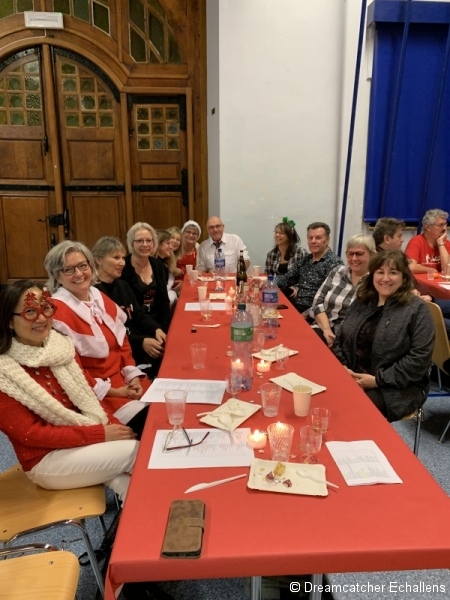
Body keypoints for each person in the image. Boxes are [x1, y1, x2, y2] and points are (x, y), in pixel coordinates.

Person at [0, 280, 138, 503]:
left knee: (131, 483)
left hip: (79, 440)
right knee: (137, 453)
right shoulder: (4, 372)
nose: (41, 318)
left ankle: (139, 519)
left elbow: (88, 398)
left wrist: (113, 427)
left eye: (46, 308)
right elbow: (30, 433)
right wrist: (100, 434)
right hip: (45, 460)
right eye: (30, 312)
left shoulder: (61, 347)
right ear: (9, 321)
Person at [44, 241, 149, 437]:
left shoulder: (97, 296)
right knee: (154, 424)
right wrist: (119, 392)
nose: (79, 274)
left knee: (172, 406)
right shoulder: (57, 313)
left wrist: (132, 376)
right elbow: (73, 373)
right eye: (68, 269)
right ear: (57, 275)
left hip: (125, 384)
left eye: (83, 265)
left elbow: (122, 342)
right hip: (98, 398)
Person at [333, 250, 434, 422]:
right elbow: (340, 338)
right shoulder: (362, 301)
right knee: (320, 400)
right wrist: (342, 366)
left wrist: (377, 380)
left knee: (352, 412)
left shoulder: (417, 310)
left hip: (398, 386)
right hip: (352, 374)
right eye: (380, 272)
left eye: (393, 272)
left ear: (404, 277)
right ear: (372, 275)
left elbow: (419, 359)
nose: (385, 278)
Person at [92, 236, 166, 378]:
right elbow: (108, 334)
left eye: (123, 258)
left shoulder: (122, 286)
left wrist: (156, 329)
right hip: (119, 352)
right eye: (116, 258)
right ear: (99, 260)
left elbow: (138, 315)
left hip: (135, 342)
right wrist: (141, 342)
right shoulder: (94, 292)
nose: (122, 262)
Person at [306, 234, 375, 346]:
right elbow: (318, 301)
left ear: (372, 254)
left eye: (359, 254)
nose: (354, 258)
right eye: (350, 254)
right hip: (323, 326)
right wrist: (326, 329)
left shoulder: (376, 280)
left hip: (350, 338)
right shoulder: (338, 271)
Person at [275, 221, 343, 313]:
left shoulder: (335, 263)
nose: (313, 241)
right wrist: (267, 282)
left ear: (327, 240)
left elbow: (330, 299)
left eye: (318, 238)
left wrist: (307, 314)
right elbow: (287, 278)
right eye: (310, 238)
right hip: (293, 306)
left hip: (313, 313)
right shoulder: (306, 259)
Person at [121, 222, 171, 332]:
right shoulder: (123, 267)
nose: (145, 244)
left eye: (149, 240)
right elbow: (128, 309)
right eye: (139, 241)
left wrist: (165, 328)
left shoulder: (157, 265)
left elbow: (164, 300)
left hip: (159, 323)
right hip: (135, 327)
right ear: (131, 243)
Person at [405, 208, 450, 273]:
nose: (445, 228)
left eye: (445, 224)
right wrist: (431, 270)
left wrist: (441, 244)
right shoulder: (416, 241)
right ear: (428, 227)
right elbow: (410, 267)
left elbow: (448, 271)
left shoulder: (446, 243)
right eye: (441, 225)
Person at [156, 229, 182, 306]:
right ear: (158, 245)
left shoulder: (166, 261)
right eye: (168, 243)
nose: (171, 247)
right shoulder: (154, 264)